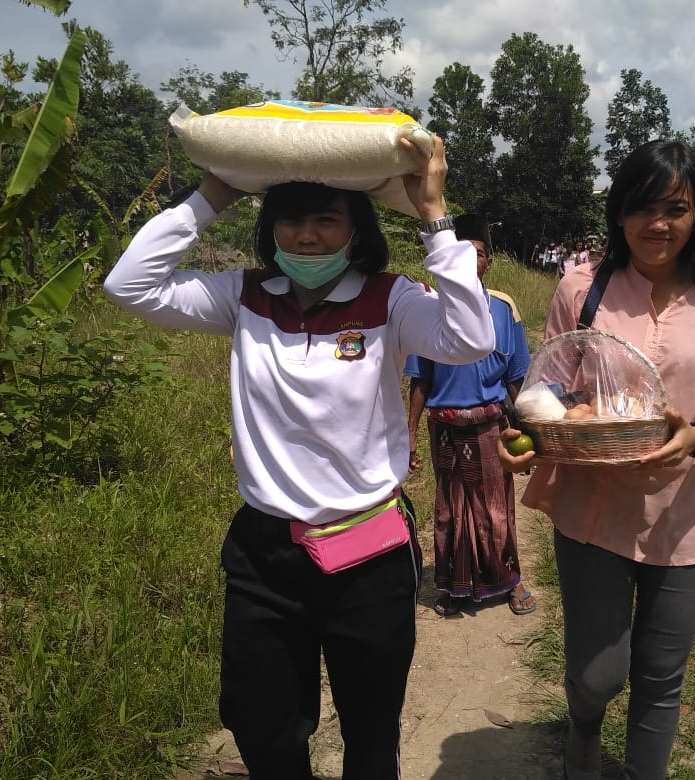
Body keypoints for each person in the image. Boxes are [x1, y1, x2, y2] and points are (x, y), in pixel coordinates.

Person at [103, 134, 495, 780]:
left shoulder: (390, 300)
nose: (306, 236)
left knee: (372, 739)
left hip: (368, 559)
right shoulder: (245, 297)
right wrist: (212, 195)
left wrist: (434, 215)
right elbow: (129, 284)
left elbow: (472, 336)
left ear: (355, 230)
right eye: (290, 218)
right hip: (265, 559)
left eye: (325, 219)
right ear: (270, 226)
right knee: (263, 731)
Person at [497, 139, 695, 780]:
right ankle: (584, 726)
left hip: (688, 513)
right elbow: (549, 384)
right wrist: (536, 434)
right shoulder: (583, 289)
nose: (659, 223)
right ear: (620, 214)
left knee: (660, 675)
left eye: (676, 208)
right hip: (594, 508)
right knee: (598, 674)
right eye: (643, 207)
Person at [404, 214, 536, 618]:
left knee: (495, 508)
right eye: (461, 253)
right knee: (449, 511)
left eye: (478, 254)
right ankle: (454, 585)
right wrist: (408, 434)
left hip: (491, 426)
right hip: (444, 427)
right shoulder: (427, 308)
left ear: (488, 264)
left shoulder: (503, 309)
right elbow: (420, 382)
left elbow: (517, 379)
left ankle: (510, 580)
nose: (470, 260)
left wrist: (533, 433)